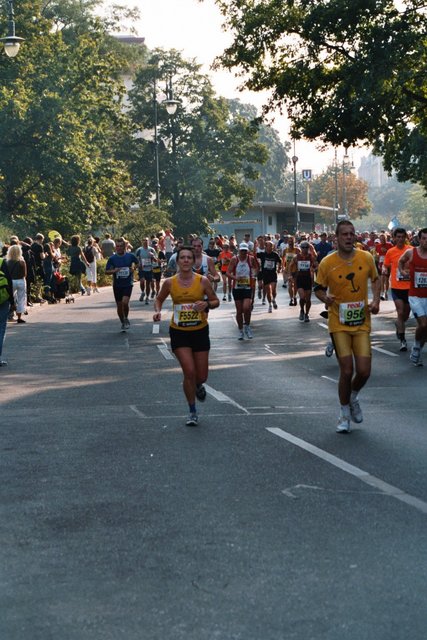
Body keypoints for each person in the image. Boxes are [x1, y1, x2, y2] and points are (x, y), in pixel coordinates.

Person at [314, 220, 380, 433]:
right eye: (345, 234)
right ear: (337, 238)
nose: (349, 237)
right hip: (338, 322)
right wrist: (326, 298)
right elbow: (318, 288)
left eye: (352, 233)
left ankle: (352, 396)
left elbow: (376, 279)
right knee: (347, 370)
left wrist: (376, 300)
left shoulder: (366, 257)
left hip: (361, 322)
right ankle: (343, 414)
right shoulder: (327, 262)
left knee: (363, 371)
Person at [153, 246, 219, 426]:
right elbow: (159, 299)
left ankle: (198, 385)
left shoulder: (202, 281)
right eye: (182, 257)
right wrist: (158, 312)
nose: (186, 260)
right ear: (177, 260)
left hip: (199, 331)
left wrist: (205, 304)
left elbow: (215, 301)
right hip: (179, 331)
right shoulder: (170, 282)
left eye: (189, 258)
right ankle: (192, 411)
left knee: (202, 376)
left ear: (193, 261)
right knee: (189, 372)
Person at [397, 227, 427, 366]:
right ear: (419, 239)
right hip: (415, 295)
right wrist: (402, 272)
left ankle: (418, 350)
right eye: (424, 238)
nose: (426, 241)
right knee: (423, 324)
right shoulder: (411, 252)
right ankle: (416, 345)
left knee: (426, 328)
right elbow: (401, 261)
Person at [382, 228, 410, 352]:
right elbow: (386, 265)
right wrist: (383, 270)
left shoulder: (411, 250)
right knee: (400, 311)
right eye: (397, 237)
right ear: (394, 238)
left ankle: (399, 325)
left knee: (405, 315)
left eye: (402, 237)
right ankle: (403, 340)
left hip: (409, 288)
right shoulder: (390, 252)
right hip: (396, 287)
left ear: (405, 238)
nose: (400, 239)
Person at [227, 242, 259, 340]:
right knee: (239, 311)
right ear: (239, 250)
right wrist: (235, 277)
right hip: (237, 288)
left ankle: (247, 327)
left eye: (245, 251)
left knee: (246, 308)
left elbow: (257, 268)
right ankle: (240, 330)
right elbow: (228, 272)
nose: (243, 253)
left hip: (247, 287)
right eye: (242, 251)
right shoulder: (234, 259)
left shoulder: (251, 259)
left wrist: (254, 275)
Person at [105, 238, 139, 331]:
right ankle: (123, 321)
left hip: (128, 283)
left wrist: (133, 268)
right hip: (117, 285)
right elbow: (106, 271)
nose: (119, 248)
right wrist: (114, 271)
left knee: (125, 302)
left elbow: (138, 263)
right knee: (119, 305)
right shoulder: (112, 258)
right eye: (117, 246)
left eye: (121, 246)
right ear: (115, 247)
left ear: (125, 246)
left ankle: (126, 317)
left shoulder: (130, 256)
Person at [291, 241, 317, 322]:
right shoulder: (296, 257)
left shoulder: (310, 257)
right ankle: (302, 310)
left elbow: (317, 265)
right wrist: (290, 275)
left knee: (308, 299)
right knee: (302, 297)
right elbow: (291, 265)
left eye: (306, 248)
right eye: (303, 248)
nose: (305, 249)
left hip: (308, 279)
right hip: (299, 279)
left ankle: (306, 314)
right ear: (301, 248)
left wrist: (313, 269)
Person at [6, 245, 27, 323]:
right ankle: (19, 317)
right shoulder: (22, 262)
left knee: (10, 298)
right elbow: (25, 274)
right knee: (21, 298)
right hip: (21, 281)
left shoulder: (7, 262)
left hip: (11, 281)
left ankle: (9, 315)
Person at [260, 240, 281, 312]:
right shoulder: (262, 254)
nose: (271, 248)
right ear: (266, 247)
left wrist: (280, 268)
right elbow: (253, 255)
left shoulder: (275, 254)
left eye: (272, 246)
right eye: (269, 246)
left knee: (274, 290)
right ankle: (270, 305)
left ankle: (274, 300)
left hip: (273, 274)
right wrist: (255, 246)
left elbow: (280, 261)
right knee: (268, 291)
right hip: (265, 275)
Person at [0, 254, 13, 366]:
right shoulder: (1, 262)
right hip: (3, 297)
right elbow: (9, 281)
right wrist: (12, 301)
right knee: (1, 327)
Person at [135, 237, 157, 304]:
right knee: (142, 281)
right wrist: (138, 264)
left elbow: (156, 260)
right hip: (142, 269)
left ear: (149, 242)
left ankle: (147, 297)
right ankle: (142, 292)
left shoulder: (152, 250)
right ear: (142, 242)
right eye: (144, 240)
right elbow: (136, 259)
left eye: (146, 240)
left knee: (148, 284)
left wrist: (153, 256)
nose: (145, 241)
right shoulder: (139, 250)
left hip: (149, 269)